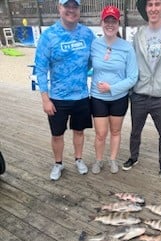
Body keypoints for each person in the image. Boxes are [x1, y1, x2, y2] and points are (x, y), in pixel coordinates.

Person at [122, 0, 161, 180]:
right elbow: (131, 64)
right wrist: (131, 89)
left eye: (157, 4)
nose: (153, 8)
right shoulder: (139, 34)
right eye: (150, 5)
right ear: (146, 8)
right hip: (139, 95)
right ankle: (133, 157)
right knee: (135, 131)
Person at [35, 0, 95, 180]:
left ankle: (78, 159)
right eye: (66, 6)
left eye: (74, 6)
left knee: (79, 131)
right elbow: (40, 68)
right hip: (57, 98)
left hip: (82, 96)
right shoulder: (49, 35)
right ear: (59, 8)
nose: (71, 10)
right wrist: (45, 98)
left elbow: (93, 61)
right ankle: (58, 163)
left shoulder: (87, 34)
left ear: (79, 9)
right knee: (57, 134)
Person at [90, 6, 138, 174]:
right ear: (101, 22)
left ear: (118, 23)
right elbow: (85, 66)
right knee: (100, 133)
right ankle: (98, 160)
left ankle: (112, 159)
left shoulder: (127, 48)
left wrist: (111, 88)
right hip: (97, 97)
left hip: (119, 98)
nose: (110, 24)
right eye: (107, 20)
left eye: (114, 21)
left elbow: (133, 77)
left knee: (115, 131)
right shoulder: (94, 45)